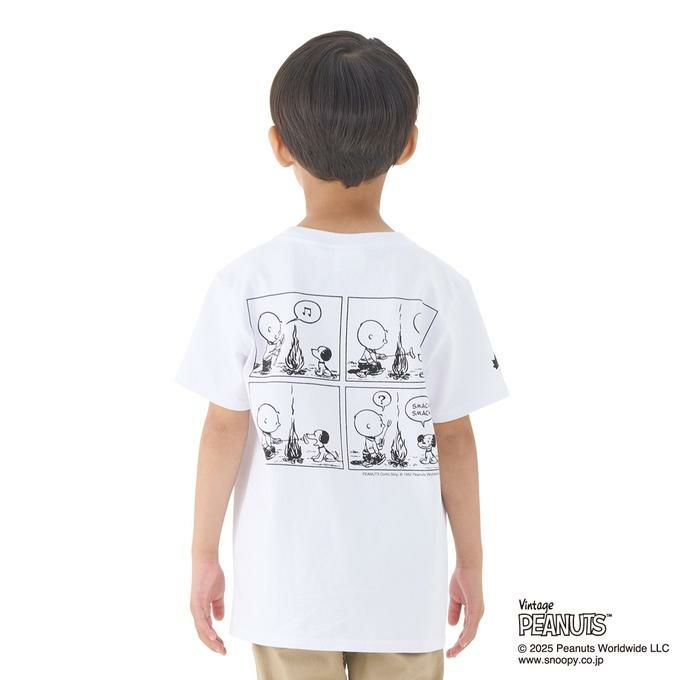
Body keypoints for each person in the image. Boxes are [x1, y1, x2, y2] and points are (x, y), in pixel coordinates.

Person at [177, 30, 508, 680]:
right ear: (408, 144)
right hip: (404, 592)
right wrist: (471, 563)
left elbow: (222, 429)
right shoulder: (442, 288)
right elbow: (456, 439)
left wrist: (202, 555)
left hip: (286, 593)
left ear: (279, 145)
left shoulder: (244, 283)